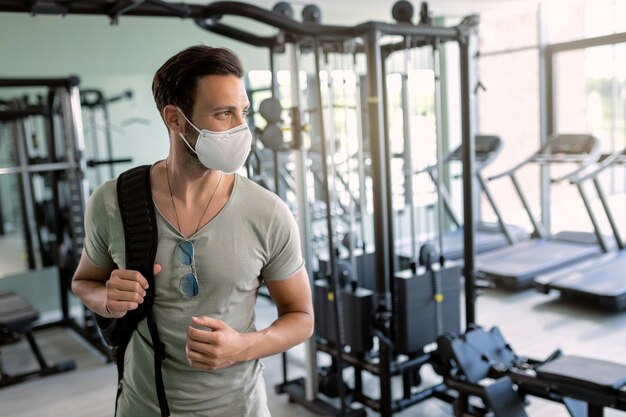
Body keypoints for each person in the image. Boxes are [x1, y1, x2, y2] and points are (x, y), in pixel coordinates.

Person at [71, 45, 314, 416]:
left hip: (240, 407)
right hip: (144, 406)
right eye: (223, 114)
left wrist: (243, 346)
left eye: (242, 112)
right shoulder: (112, 202)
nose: (241, 128)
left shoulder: (268, 212)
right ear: (175, 119)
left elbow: (301, 317)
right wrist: (106, 299)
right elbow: (83, 282)